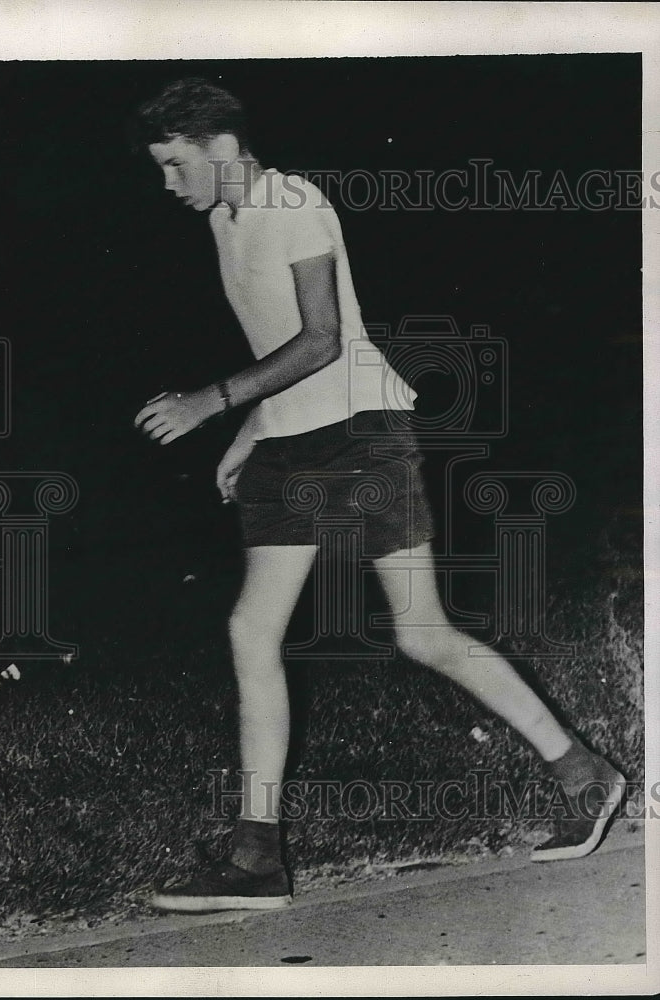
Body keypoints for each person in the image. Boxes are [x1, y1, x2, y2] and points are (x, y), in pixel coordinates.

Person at [131, 78, 626, 912]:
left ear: (220, 149)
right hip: (289, 443)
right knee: (251, 629)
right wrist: (250, 435)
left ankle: (584, 776)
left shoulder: (295, 205)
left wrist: (210, 404)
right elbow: (276, 343)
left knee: (422, 632)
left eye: (177, 165)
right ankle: (256, 861)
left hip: (361, 432)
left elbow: (325, 338)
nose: (169, 185)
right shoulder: (223, 218)